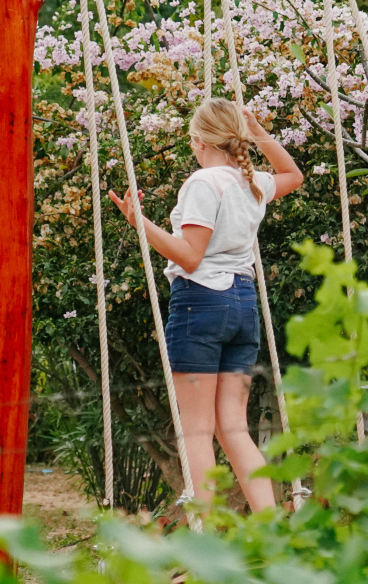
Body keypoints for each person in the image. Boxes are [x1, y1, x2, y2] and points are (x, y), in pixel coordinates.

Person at [110, 98, 303, 512]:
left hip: (201, 304)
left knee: (197, 431)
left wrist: (138, 222)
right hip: (241, 304)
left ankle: (205, 541)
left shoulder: (203, 182)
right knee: (232, 427)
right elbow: (293, 174)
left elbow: (191, 256)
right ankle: (272, 531)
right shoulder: (250, 182)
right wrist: (257, 130)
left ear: (198, 141)